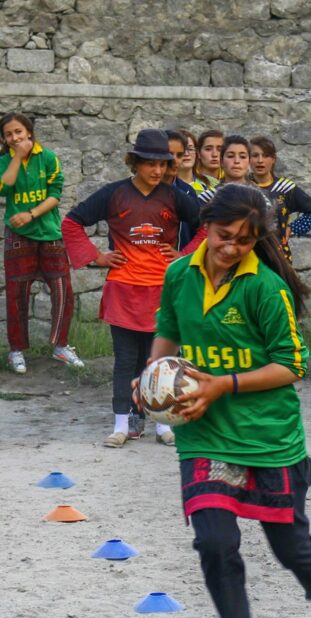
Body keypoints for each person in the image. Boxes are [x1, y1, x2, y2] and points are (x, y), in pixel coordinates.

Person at [145, 184, 311, 618]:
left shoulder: (266, 287)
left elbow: (292, 365)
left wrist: (222, 385)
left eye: (243, 241)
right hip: (204, 434)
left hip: (268, 436)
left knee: (291, 548)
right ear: (206, 225)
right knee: (215, 542)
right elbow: (167, 328)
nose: (231, 247)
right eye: (224, 236)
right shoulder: (179, 274)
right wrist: (153, 379)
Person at [61, 128, 201, 447]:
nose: (157, 170)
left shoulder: (176, 196)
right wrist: (96, 257)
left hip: (163, 290)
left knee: (160, 360)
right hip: (123, 289)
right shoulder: (114, 194)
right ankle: (121, 425)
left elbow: (208, 226)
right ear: (134, 162)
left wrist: (184, 255)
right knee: (125, 360)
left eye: (163, 164)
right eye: (150, 163)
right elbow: (71, 222)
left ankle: (163, 425)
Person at [0, 112, 82, 374]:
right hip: (18, 235)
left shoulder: (48, 158)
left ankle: (61, 346)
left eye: (19, 132)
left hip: (48, 233)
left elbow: (55, 195)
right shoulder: (5, 161)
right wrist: (16, 157)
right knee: (16, 294)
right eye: (9, 134)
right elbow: (5, 186)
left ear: (29, 133)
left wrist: (31, 214)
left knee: (62, 290)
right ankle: (16, 351)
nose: (15, 137)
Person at [250, 135, 311, 265]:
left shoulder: (285, 188)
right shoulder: (242, 187)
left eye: (266, 156)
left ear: (273, 159)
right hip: (248, 255)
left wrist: (292, 228)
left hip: (279, 257)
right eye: (255, 155)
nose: (260, 160)